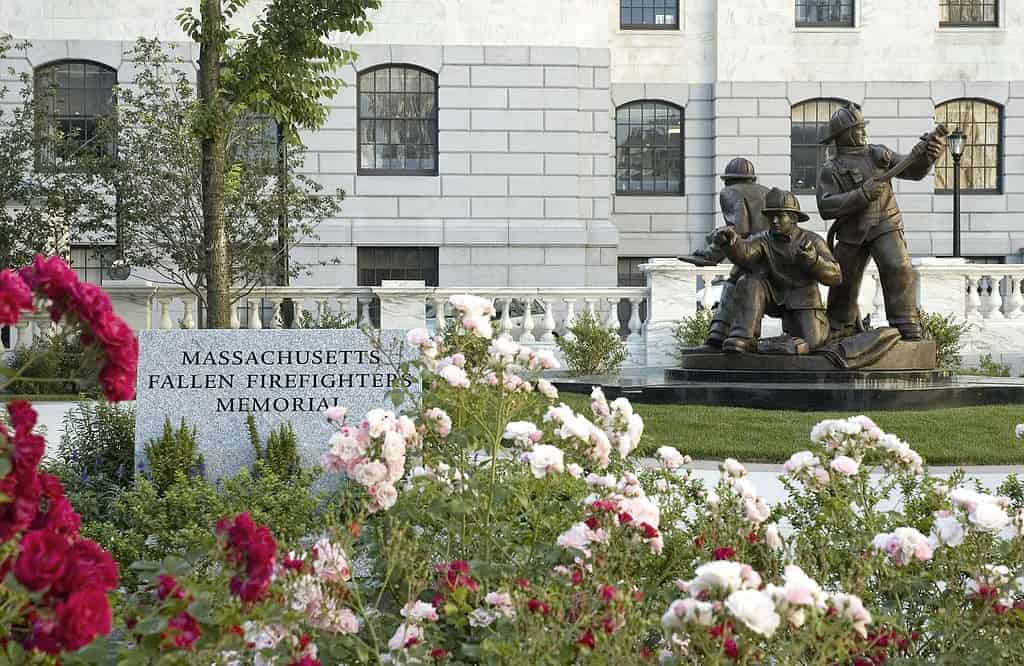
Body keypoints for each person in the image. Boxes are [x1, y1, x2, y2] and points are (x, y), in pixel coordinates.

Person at [816, 103, 945, 341]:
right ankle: (840, 325)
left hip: (885, 223)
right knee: (843, 279)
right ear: (844, 134)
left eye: (862, 127)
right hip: (852, 231)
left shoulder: (878, 154)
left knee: (898, 267)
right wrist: (862, 194)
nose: (863, 132)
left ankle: (906, 323)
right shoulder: (831, 169)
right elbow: (826, 207)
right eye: (858, 128)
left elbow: (912, 170)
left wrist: (928, 157)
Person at [709, 188, 842, 354]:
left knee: (812, 343)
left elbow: (836, 276)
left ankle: (770, 345)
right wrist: (731, 243)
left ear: (793, 218)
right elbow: (746, 253)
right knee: (749, 281)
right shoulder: (763, 239)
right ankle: (743, 337)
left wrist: (814, 260)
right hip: (770, 295)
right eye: (771, 216)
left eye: (780, 216)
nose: (774, 221)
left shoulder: (812, 240)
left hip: (803, 300)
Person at [683, 157, 770, 348]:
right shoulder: (767, 192)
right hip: (769, 253)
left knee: (734, 284)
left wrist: (711, 253)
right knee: (733, 283)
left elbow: (737, 229)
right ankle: (720, 333)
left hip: (750, 252)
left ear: (727, 180)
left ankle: (729, 334)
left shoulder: (730, 192)